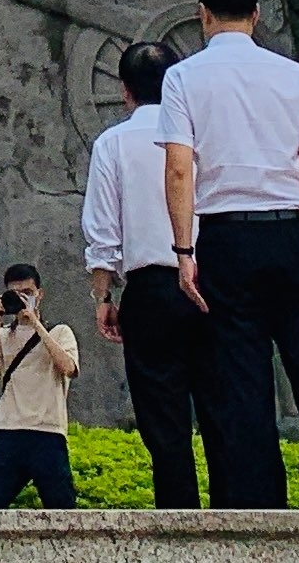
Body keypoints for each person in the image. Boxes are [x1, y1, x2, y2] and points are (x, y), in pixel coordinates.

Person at [160, 0, 299, 511]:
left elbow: (180, 169)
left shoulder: (183, 78)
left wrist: (184, 251)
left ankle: (261, 505)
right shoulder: (293, 76)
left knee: (243, 382)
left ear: (203, 14)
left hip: (226, 238)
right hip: (292, 233)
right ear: (255, 13)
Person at [83, 38, 209, 507]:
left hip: (151, 287)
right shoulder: (201, 132)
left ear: (124, 90)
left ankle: (178, 513)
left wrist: (103, 297)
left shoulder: (112, 143)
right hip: (209, 278)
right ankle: (238, 511)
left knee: (162, 413)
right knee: (222, 401)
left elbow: (102, 228)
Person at [0, 261, 81, 509]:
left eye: (28, 294)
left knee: (62, 509)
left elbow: (68, 368)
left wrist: (35, 324)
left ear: (39, 295)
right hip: (7, 429)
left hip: (48, 430)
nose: (23, 300)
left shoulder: (60, 332)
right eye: (16, 294)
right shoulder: (1, 335)